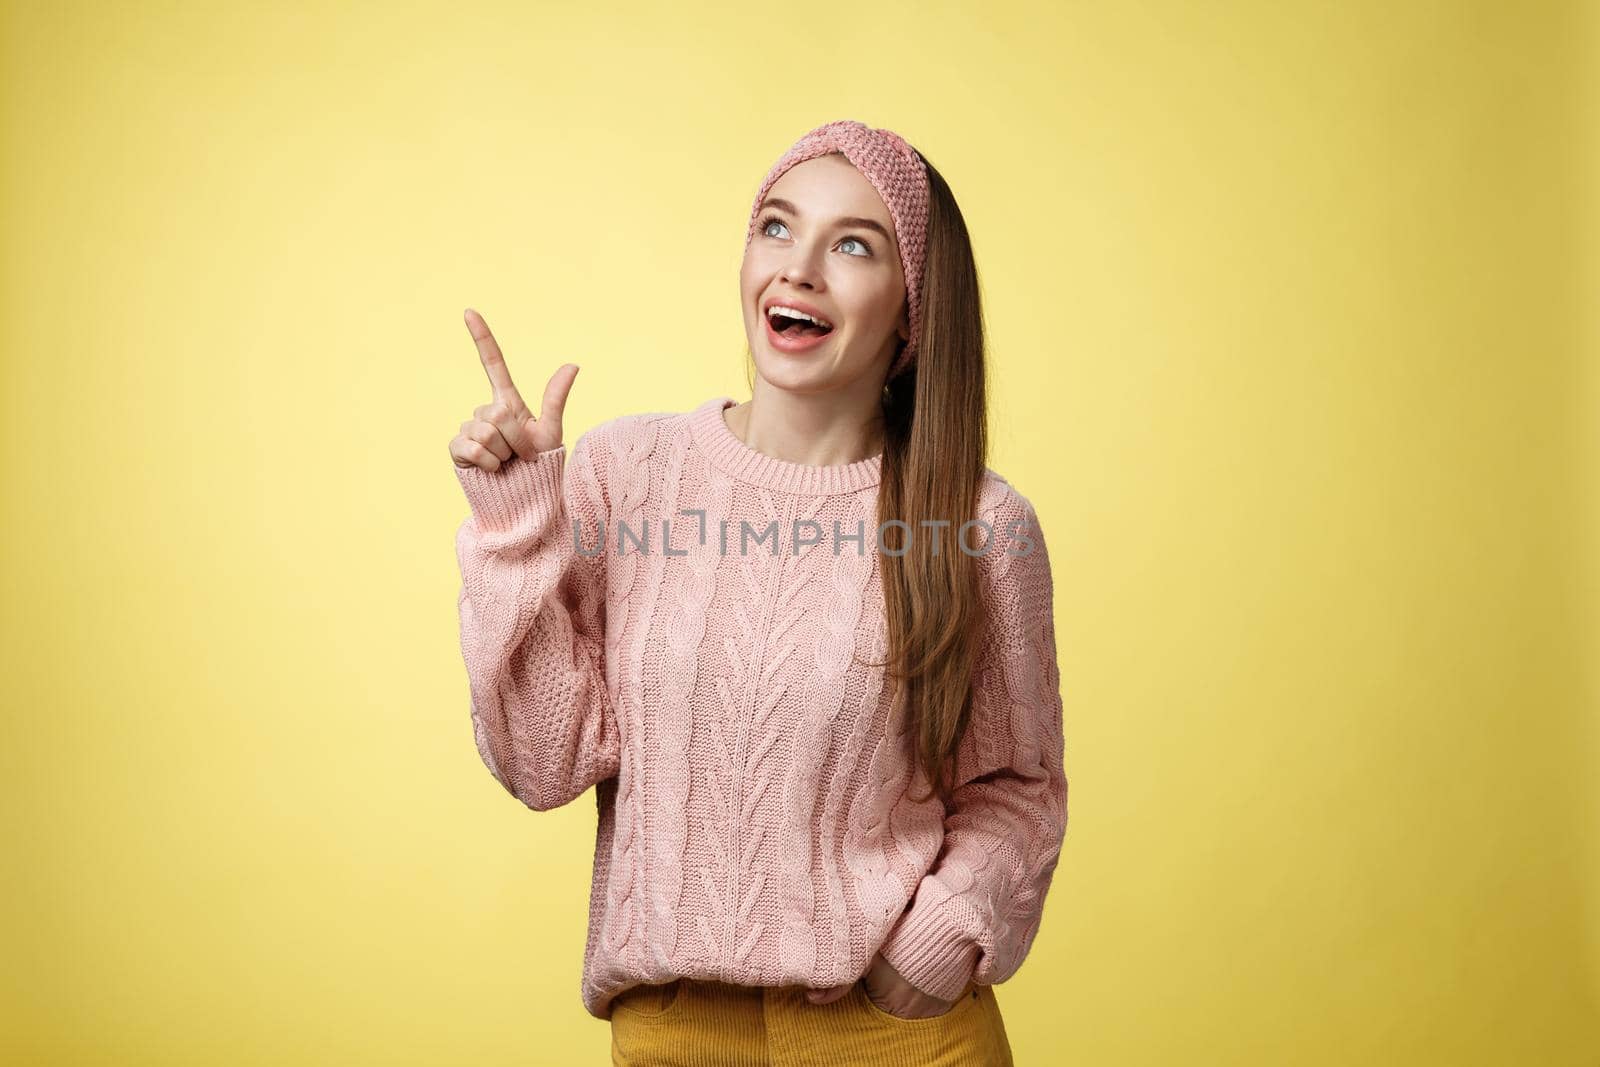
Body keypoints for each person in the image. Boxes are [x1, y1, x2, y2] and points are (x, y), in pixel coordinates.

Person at [447, 119, 1067, 1067]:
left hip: (896, 1035)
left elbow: (1018, 790)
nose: (800, 269)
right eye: (776, 228)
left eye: (853, 245)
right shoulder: (625, 473)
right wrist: (514, 528)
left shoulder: (979, 524)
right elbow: (542, 763)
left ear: (914, 309)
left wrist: (935, 944)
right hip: (672, 1033)